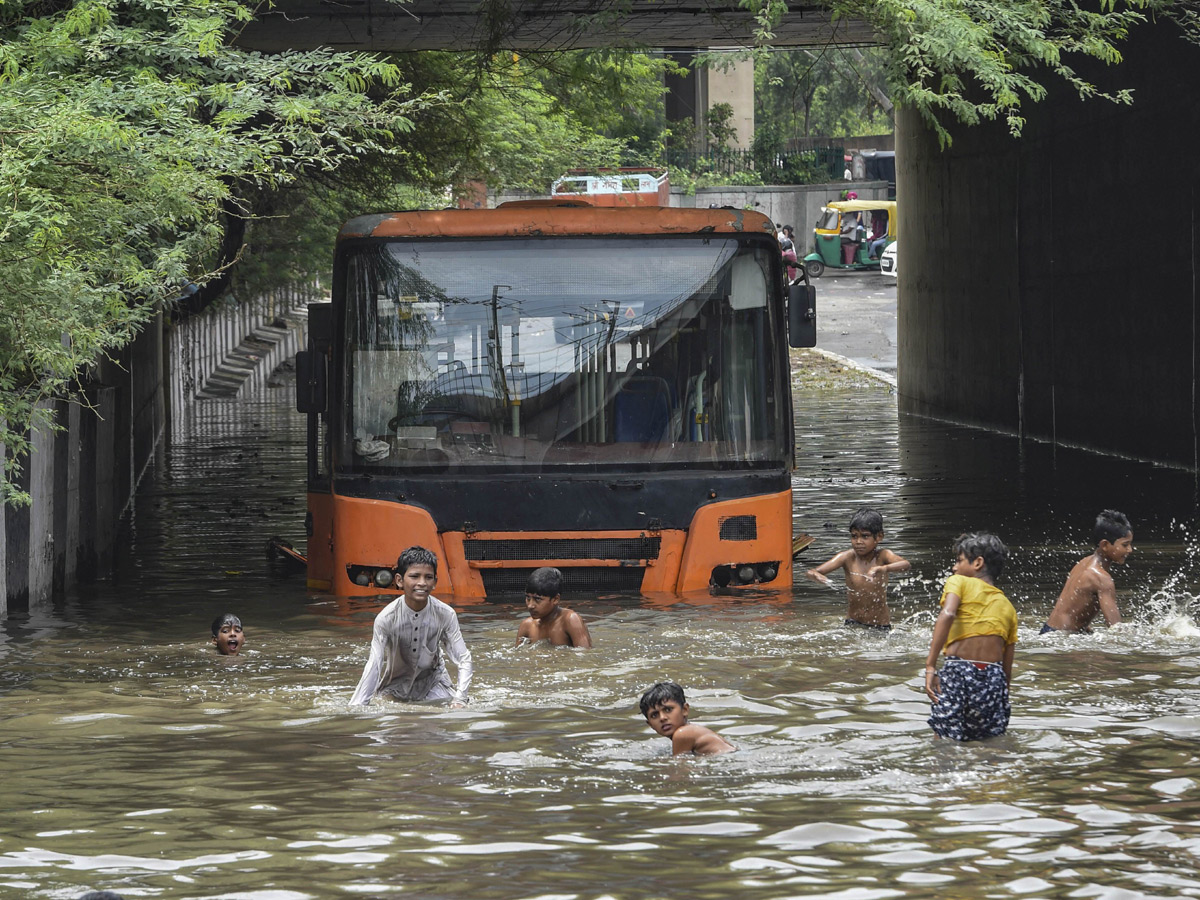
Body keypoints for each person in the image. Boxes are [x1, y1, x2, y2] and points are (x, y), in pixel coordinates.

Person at [349, 546, 473, 707]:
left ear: (435, 582)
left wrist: (460, 699)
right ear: (399, 580)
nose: (422, 583)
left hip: (433, 684)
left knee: (448, 716)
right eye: (414, 576)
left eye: (428, 577)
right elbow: (375, 663)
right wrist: (358, 706)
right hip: (394, 688)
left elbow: (463, 658)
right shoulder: (386, 618)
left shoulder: (445, 614)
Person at [924, 532, 1018, 742]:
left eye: (959, 560)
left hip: (959, 671)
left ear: (978, 563)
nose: (954, 567)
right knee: (987, 742)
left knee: (944, 738)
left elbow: (947, 614)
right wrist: (1000, 697)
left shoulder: (959, 582)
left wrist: (931, 665)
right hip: (994, 679)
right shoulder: (1008, 607)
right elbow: (1007, 666)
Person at [805, 507, 910, 630]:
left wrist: (883, 569)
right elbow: (811, 571)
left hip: (880, 625)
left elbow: (905, 564)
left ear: (879, 537)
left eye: (865, 536)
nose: (858, 541)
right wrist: (817, 576)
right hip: (852, 622)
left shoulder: (883, 556)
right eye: (854, 536)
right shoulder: (847, 557)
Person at [1042, 510, 1134, 634]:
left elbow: (1072, 609)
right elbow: (1116, 630)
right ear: (1105, 545)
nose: (1130, 550)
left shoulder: (1083, 563)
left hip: (1049, 631)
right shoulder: (1102, 579)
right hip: (1061, 638)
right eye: (1125, 545)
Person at [639, 682, 735, 755]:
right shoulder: (692, 731)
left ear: (685, 709)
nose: (662, 718)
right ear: (650, 725)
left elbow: (679, 772)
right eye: (654, 715)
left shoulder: (682, 734)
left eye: (668, 710)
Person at [517, 566, 592, 647]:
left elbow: (585, 654)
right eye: (528, 598)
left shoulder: (570, 620)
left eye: (537, 599)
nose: (530, 605)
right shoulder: (526, 626)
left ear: (555, 599)